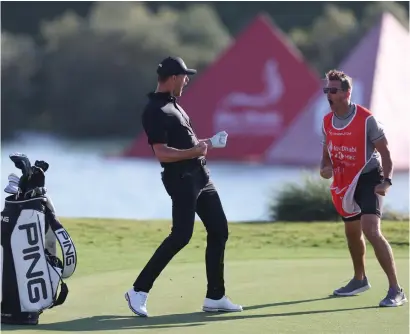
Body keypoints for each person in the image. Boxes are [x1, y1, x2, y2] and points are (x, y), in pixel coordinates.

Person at [124, 56, 243, 317]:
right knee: (181, 235)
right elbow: (162, 153)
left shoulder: (174, 106)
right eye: (185, 76)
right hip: (181, 180)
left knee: (219, 230)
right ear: (174, 78)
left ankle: (215, 296)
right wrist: (193, 151)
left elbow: (184, 144)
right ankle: (138, 291)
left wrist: (205, 143)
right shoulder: (154, 110)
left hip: (201, 176)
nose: (187, 80)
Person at [319, 69, 407, 307]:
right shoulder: (327, 121)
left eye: (333, 90)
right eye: (326, 89)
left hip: (369, 178)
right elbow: (326, 157)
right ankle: (359, 280)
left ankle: (396, 290)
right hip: (344, 182)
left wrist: (386, 181)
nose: (328, 94)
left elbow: (387, 153)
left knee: (371, 229)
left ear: (346, 93)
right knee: (351, 233)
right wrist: (324, 169)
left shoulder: (367, 119)